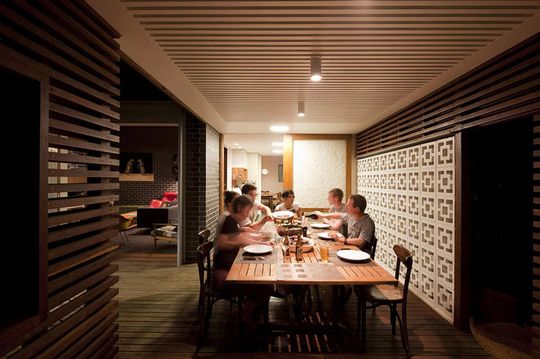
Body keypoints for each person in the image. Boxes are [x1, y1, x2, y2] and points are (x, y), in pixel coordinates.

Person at [213, 195, 273, 329]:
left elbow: (241, 237)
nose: (247, 215)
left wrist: (259, 240)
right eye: (247, 211)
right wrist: (244, 241)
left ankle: (251, 311)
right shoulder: (229, 221)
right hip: (225, 271)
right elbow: (222, 243)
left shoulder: (233, 221)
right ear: (240, 208)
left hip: (231, 265)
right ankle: (247, 316)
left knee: (263, 279)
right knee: (265, 284)